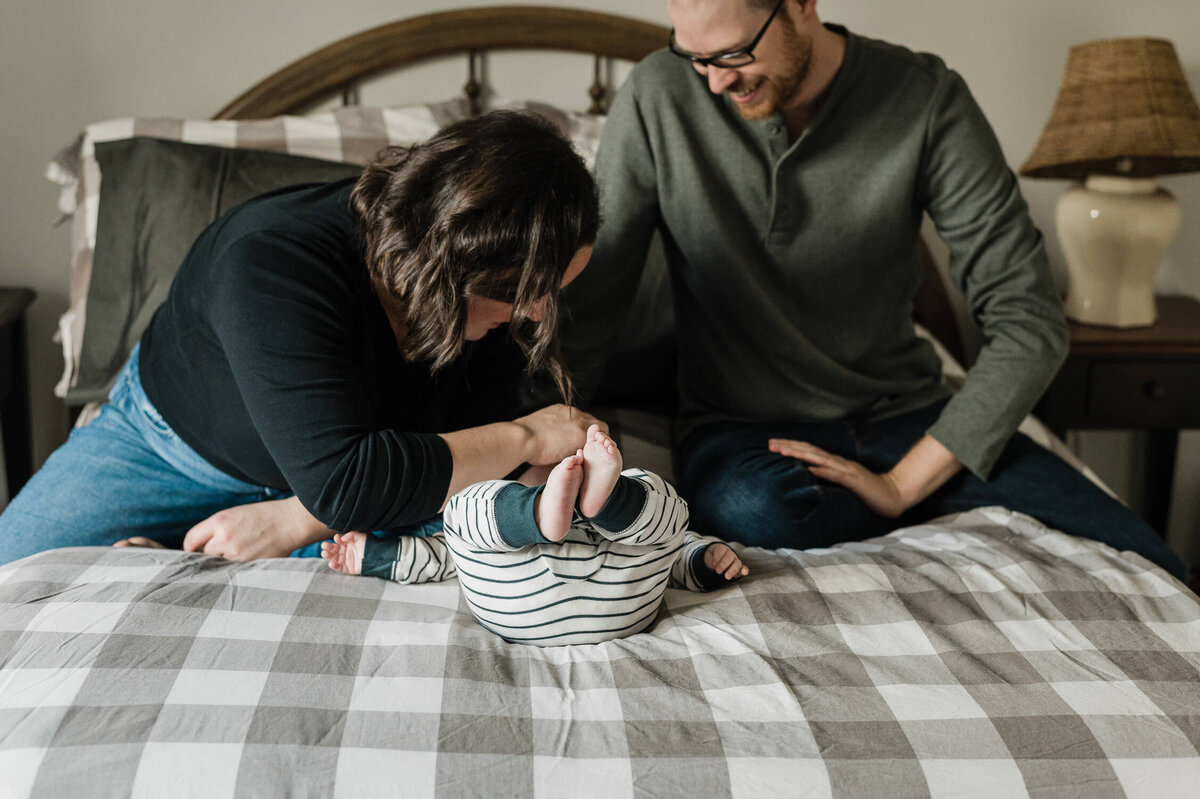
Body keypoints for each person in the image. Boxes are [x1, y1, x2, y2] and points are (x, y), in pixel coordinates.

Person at [553, 0, 1188, 581]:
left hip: (908, 419)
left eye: (733, 55)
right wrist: (539, 438)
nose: (715, 81)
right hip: (743, 429)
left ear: (801, 5)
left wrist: (903, 485)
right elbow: (594, 297)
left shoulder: (926, 97)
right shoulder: (659, 95)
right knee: (759, 514)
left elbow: (1030, 319)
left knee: (1139, 551)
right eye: (693, 56)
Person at [0, 111, 607, 565]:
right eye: (522, 291)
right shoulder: (270, 261)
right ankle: (159, 549)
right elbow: (349, 481)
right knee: (14, 572)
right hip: (175, 451)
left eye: (552, 289)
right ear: (449, 260)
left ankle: (170, 559)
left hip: (360, 480)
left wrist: (294, 520)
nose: (535, 313)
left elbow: (470, 444)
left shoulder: (505, 286)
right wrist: (525, 435)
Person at [321, 424, 748, 646]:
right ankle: (610, 499)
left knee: (461, 514)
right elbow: (675, 555)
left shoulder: (492, 538)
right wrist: (706, 558)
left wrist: (375, 556)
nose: (570, 463)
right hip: (619, 607)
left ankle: (550, 511)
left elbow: (435, 558)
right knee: (669, 516)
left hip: (519, 606)